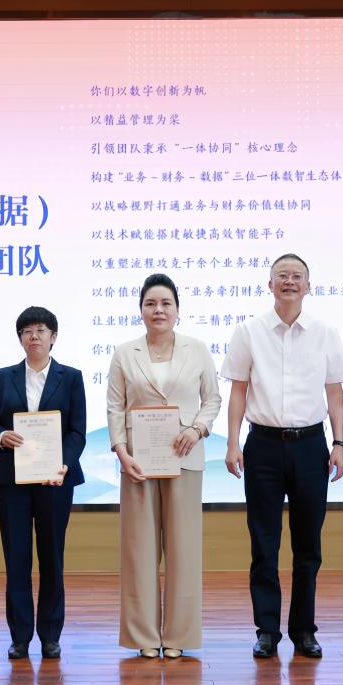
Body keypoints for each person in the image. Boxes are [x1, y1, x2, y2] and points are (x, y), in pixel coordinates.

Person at [221, 253, 343, 659]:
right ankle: (267, 630)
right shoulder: (249, 331)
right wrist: (232, 442)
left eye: (297, 277)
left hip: (311, 446)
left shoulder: (326, 333)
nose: (289, 282)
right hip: (262, 446)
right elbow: (238, 390)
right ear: (270, 284)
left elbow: (335, 394)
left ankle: (304, 630)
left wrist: (339, 443)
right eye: (282, 276)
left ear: (309, 286)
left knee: (308, 544)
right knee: (264, 542)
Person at [106, 274, 221, 659]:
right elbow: (115, 407)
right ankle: (143, 636)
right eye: (151, 303)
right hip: (138, 463)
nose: (158, 310)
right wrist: (121, 451)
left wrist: (197, 429)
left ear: (177, 310)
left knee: (183, 549)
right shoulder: (125, 353)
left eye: (165, 303)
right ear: (141, 310)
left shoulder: (197, 350)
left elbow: (212, 399)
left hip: (184, 459)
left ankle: (177, 636)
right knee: (139, 550)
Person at [0, 306, 87, 660]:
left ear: (53, 336)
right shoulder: (4, 376)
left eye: (41, 330)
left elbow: (77, 430)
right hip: (11, 480)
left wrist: (64, 463)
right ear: (20, 338)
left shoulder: (71, 377)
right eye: (27, 331)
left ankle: (51, 635)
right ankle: (20, 637)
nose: (34, 336)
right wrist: (1, 435)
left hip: (55, 479)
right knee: (16, 558)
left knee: (52, 557)